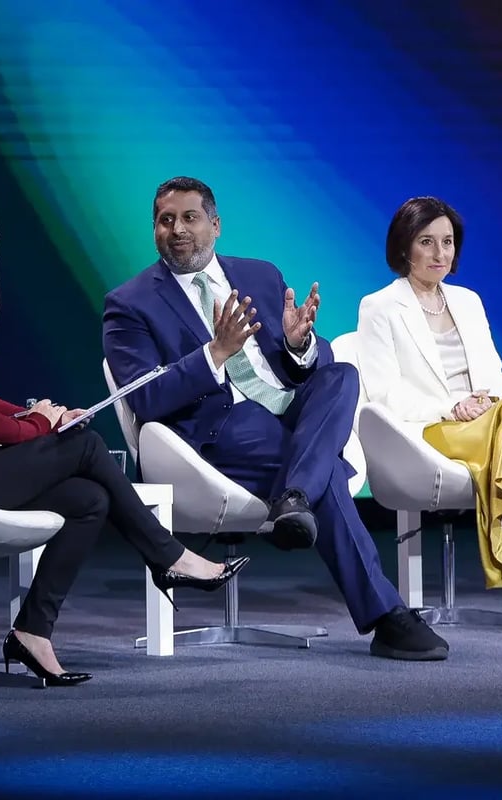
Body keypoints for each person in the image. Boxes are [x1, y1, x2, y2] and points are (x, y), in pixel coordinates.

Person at [0, 191, 249, 686]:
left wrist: (32, 414)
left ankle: (32, 632)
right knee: (85, 445)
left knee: (89, 500)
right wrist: (42, 425)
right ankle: (168, 556)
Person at [102, 176, 450, 661]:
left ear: (215, 225)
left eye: (190, 218)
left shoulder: (260, 275)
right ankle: (385, 611)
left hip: (290, 413)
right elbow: (144, 397)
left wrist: (296, 344)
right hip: (216, 432)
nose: (177, 229)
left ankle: (295, 496)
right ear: (155, 229)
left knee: (341, 375)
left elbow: (303, 368)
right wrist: (215, 353)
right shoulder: (129, 303)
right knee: (327, 471)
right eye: (166, 220)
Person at [355, 197, 502, 632]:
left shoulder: (468, 301)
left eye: (448, 242)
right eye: (426, 242)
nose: (440, 253)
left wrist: (483, 401)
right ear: (404, 247)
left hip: (483, 419)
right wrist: (451, 407)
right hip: (426, 431)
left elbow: (495, 374)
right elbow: (384, 394)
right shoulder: (379, 306)